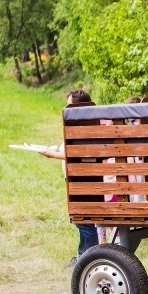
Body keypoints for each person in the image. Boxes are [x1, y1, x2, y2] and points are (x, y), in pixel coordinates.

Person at [40, 89, 98, 267]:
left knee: (85, 222)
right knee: (82, 222)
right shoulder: (85, 125)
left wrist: (52, 154)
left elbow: (79, 154)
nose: (65, 108)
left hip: (83, 180)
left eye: (68, 105)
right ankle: (83, 256)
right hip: (78, 180)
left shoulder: (84, 128)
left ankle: (89, 258)